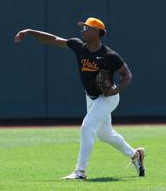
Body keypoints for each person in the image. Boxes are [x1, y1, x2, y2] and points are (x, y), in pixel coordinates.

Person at [14, 17, 145, 180]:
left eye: (86, 28)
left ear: (96, 32)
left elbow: (127, 75)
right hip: (91, 98)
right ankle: (135, 155)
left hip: (107, 98)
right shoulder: (78, 46)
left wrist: (117, 89)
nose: (82, 30)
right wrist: (29, 32)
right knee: (105, 134)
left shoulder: (109, 55)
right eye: (82, 28)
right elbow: (54, 39)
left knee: (87, 126)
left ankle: (80, 172)